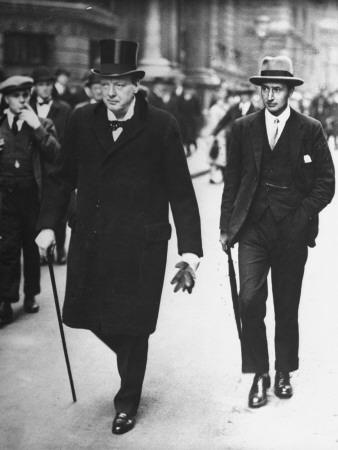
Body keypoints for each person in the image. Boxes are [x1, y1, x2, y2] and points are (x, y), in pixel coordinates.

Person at [35, 39, 203, 435]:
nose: (110, 92)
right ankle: (131, 360)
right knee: (84, 313)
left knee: (134, 324)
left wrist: (190, 252)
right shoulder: (80, 120)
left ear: (135, 86)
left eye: (119, 84)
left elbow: (181, 191)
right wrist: (47, 224)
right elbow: (61, 179)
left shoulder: (162, 125)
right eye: (103, 83)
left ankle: (127, 400)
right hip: (93, 241)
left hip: (141, 246)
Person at [219, 56, 335, 409]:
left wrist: (301, 217)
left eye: (277, 89)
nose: (270, 96)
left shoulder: (310, 129)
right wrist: (227, 227)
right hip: (252, 228)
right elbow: (233, 181)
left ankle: (283, 371)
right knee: (250, 300)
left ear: (290, 92)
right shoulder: (242, 128)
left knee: (287, 304)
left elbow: (326, 183)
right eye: (265, 89)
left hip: (291, 231)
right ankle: (259, 374)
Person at [0, 76, 60, 326]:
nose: (22, 100)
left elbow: (57, 154)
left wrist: (37, 128)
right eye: (17, 96)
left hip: (32, 198)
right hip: (5, 198)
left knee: (32, 249)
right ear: (6, 99)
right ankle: (5, 300)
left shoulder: (43, 123)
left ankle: (31, 295)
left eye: (26, 94)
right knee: (7, 249)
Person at [31, 66, 71, 264]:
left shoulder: (63, 108)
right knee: (39, 207)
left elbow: (67, 137)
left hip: (58, 164)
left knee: (60, 209)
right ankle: (43, 251)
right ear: (35, 87)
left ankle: (61, 248)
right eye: (40, 85)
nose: (45, 89)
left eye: (48, 84)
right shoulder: (28, 107)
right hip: (36, 166)